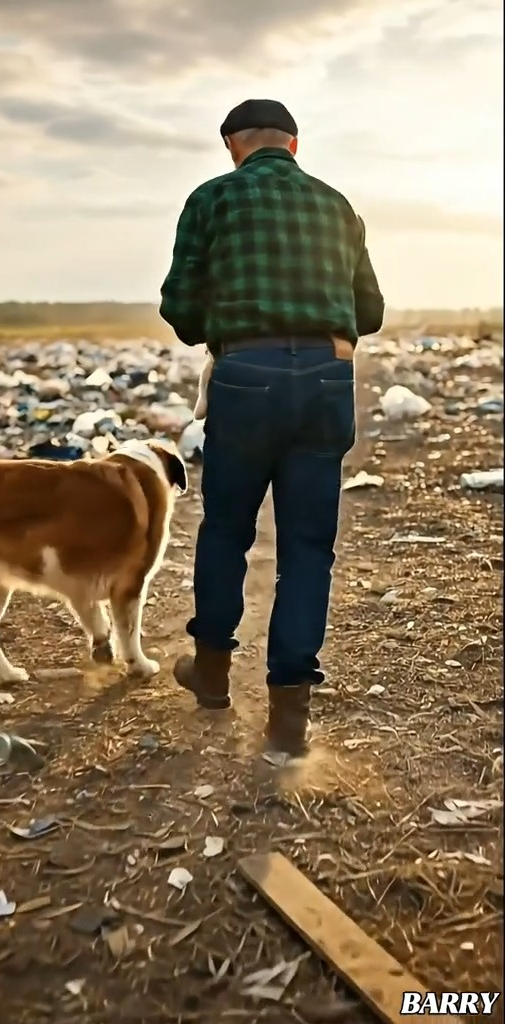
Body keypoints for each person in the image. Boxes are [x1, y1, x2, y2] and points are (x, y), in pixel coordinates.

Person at [159, 98, 384, 758]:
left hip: (245, 375)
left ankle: (213, 675)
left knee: (227, 530)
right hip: (325, 376)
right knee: (309, 548)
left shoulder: (213, 198)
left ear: (233, 144)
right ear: (294, 144)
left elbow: (181, 307)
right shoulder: (337, 205)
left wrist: (228, 326)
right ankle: (289, 717)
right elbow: (367, 310)